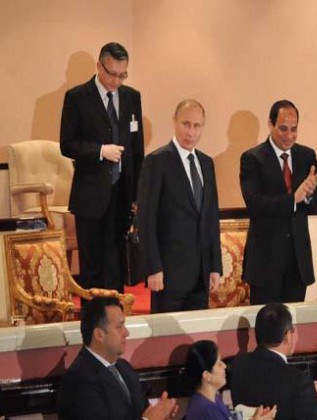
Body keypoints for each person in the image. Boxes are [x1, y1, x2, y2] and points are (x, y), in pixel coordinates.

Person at [60, 42, 144, 293]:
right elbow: (67, 144)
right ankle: (93, 314)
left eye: (122, 75)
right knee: (93, 265)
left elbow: (137, 149)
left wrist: (138, 194)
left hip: (122, 194)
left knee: (117, 263)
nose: (117, 81)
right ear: (99, 66)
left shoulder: (132, 97)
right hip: (90, 194)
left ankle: (117, 313)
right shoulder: (77, 97)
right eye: (112, 74)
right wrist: (99, 151)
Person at [239, 99, 317, 304]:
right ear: (270, 125)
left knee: (293, 320)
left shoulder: (307, 156)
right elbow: (255, 205)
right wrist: (293, 199)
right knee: (266, 321)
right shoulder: (252, 159)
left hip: (297, 264)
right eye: (283, 128)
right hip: (265, 264)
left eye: (294, 129)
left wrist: (309, 195)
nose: (289, 135)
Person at [137, 99, 222, 313]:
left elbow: (211, 218)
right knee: (166, 332)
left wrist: (215, 266)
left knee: (197, 332)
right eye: (186, 124)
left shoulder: (206, 163)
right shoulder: (156, 161)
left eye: (197, 126)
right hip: (168, 274)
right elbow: (145, 220)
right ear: (175, 121)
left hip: (201, 275)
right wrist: (153, 268)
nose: (191, 132)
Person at [57, 297, 177, 419]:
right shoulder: (79, 380)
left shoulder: (124, 367)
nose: (126, 333)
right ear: (99, 334)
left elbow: (143, 412)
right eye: (119, 327)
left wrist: (161, 414)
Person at [229, 303, 317, 420]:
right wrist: (310, 398)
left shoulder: (238, 364)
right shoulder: (298, 381)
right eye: (292, 331)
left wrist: (307, 397)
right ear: (287, 336)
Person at [183, 340, 276, 420]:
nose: (224, 366)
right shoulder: (206, 410)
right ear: (207, 375)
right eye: (219, 364)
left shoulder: (213, 398)